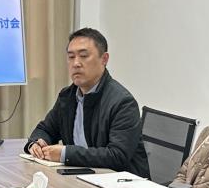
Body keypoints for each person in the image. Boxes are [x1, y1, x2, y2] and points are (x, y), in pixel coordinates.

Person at [23, 28, 149, 177]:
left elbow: (117, 156)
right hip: (83, 177)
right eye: (71, 57)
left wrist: (65, 153)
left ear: (104, 59)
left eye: (83, 56)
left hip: (121, 184)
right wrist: (36, 144)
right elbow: (45, 129)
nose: (76, 63)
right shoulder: (67, 96)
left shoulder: (122, 103)